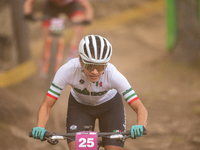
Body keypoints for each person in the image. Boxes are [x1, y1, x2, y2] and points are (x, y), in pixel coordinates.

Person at [31, 35, 148, 150]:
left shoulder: (113, 74)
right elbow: (47, 105)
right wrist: (40, 126)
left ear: (106, 64)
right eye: (90, 65)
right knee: (79, 148)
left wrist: (140, 125)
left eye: (100, 66)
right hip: (80, 107)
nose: (95, 72)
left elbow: (139, 107)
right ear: (80, 60)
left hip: (110, 107)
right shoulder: (68, 70)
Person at [23, 0, 94, 62]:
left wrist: (88, 18)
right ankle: (44, 61)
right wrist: (27, 13)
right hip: (51, 7)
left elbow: (88, 7)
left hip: (71, 7)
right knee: (46, 34)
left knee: (79, 24)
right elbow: (29, 2)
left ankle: (72, 55)